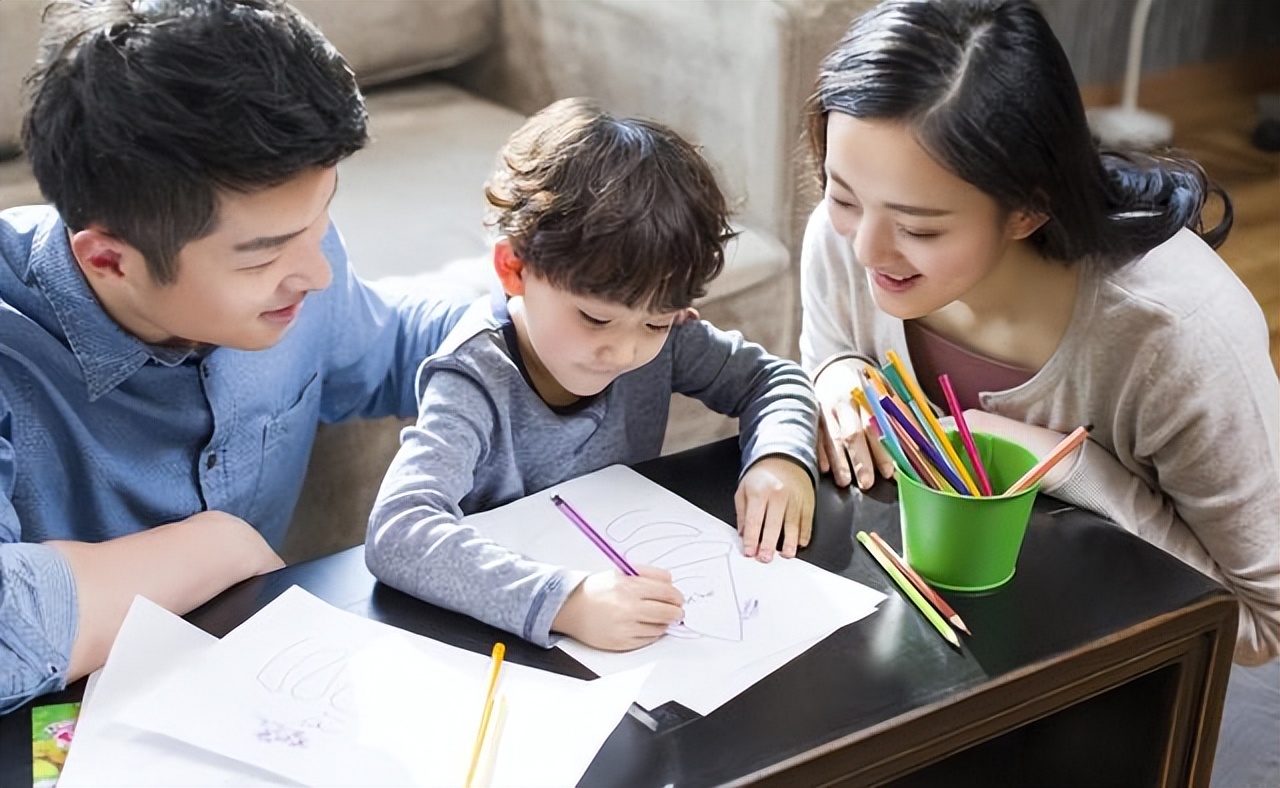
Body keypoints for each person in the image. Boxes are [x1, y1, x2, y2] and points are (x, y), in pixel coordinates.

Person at [798, 1, 1278, 784]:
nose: (864, 247)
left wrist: (1063, 470)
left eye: (918, 227)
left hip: (1136, 687)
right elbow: (831, 342)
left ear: (1027, 206)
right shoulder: (848, 238)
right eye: (842, 194)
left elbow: (1259, 626)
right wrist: (836, 371)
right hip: (955, 659)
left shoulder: (1175, 333)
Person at [0, 0, 467, 714]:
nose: (316, 274)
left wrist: (553, 318)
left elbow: (395, 344)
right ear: (108, 259)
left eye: (321, 221)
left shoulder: (298, 275)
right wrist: (215, 547)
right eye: (264, 256)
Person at [365, 98, 818, 652]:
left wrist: (780, 457)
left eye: (654, 323)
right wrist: (566, 603)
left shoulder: (666, 339)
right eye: (596, 318)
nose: (624, 351)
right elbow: (398, 532)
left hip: (635, 607)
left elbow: (774, 379)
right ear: (516, 269)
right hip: (507, 643)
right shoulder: (474, 376)